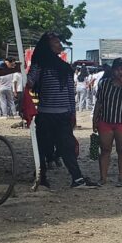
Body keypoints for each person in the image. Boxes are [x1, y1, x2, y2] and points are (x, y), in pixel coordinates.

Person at [26, 32, 98, 189]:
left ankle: (77, 178)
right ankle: (41, 177)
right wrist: (24, 76)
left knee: (67, 148)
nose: (60, 45)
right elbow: (30, 83)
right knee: (44, 148)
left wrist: (73, 113)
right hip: (46, 114)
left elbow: (69, 93)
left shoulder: (64, 67)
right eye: (56, 43)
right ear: (48, 47)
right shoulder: (39, 65)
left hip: (62, 114)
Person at [93, 59, 122, 186]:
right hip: (105, 121)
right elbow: (99, 102)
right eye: (117, 69)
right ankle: (103, 177)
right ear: (113, 70)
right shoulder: (104, 84)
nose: (119, 72)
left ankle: (121, 176)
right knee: (105, 150)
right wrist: (94, 119)